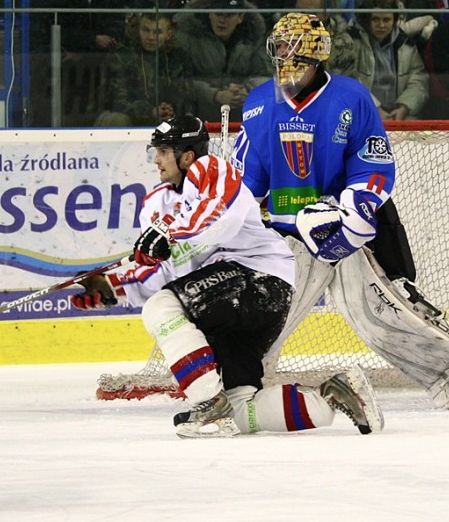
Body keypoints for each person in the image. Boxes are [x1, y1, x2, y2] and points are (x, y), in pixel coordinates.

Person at [229, 12, 449, 411]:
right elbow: (249, 180)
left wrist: (354, 210)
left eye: (289, 45)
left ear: (314, 51)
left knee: (376, 314)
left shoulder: (350, 97)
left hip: (347, 228)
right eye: (278, 46)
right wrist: (231, 218)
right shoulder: (259, 102)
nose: (281, 55)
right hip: (289, 235)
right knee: (271, 317)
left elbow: (372, 161)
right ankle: (244, 384)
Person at [70, 115, 383, 438]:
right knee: (242, 409)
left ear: (187, 155)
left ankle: (207, 401)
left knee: (161, 308)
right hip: (223, 298)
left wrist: (169, 234)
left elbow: (218, 220)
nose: (157, 160)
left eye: (164, 151)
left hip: (258, 279)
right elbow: (167, 269)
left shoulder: (212, 171)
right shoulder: (156, 203)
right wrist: (113, 287)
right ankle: (334, 393)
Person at [31, 0, 128, 126]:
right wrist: (90, 40)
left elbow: (115, 30)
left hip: (96, 59)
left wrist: (85, 50)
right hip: (65, 56)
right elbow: (46, 27)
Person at [175, 0, 271, 121]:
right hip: (198, 116)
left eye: (229, 15)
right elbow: (178, 81)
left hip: (244, 116)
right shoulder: (188, 37)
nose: (222, 20)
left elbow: (266, 77)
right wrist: (216, 95)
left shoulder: (255, 38)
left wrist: (246, 90)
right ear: (209, 13)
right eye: (218, 14)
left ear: (240, 17)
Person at [96, 13, 195, 127]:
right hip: (127, 116)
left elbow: (187, 96)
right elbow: (116, 101)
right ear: (139, 31)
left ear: (169, 34)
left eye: (157, 32)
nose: (150, 37)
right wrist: (150, 111)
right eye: (145, 30)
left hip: (166, 118)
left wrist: (169, 111)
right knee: (118, 119)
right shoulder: (123, 55)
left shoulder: (179, 58)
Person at [350, 0, 430, 120]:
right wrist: (374, 108)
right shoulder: (352, 41)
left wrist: (404, 107)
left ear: (394, 21)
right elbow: (348, 79)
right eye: (375, 19)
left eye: (386, 20)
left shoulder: (406, 44)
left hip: (398, 114)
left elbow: (418, 80)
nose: (381, 25)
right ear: (367, 20)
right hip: (361, 112)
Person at [294, 0, 357, 75]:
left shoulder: (342, 43)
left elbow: (341, 81)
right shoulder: (283, 36)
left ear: (326, 15)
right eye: (300, 12)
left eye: (312, 13)